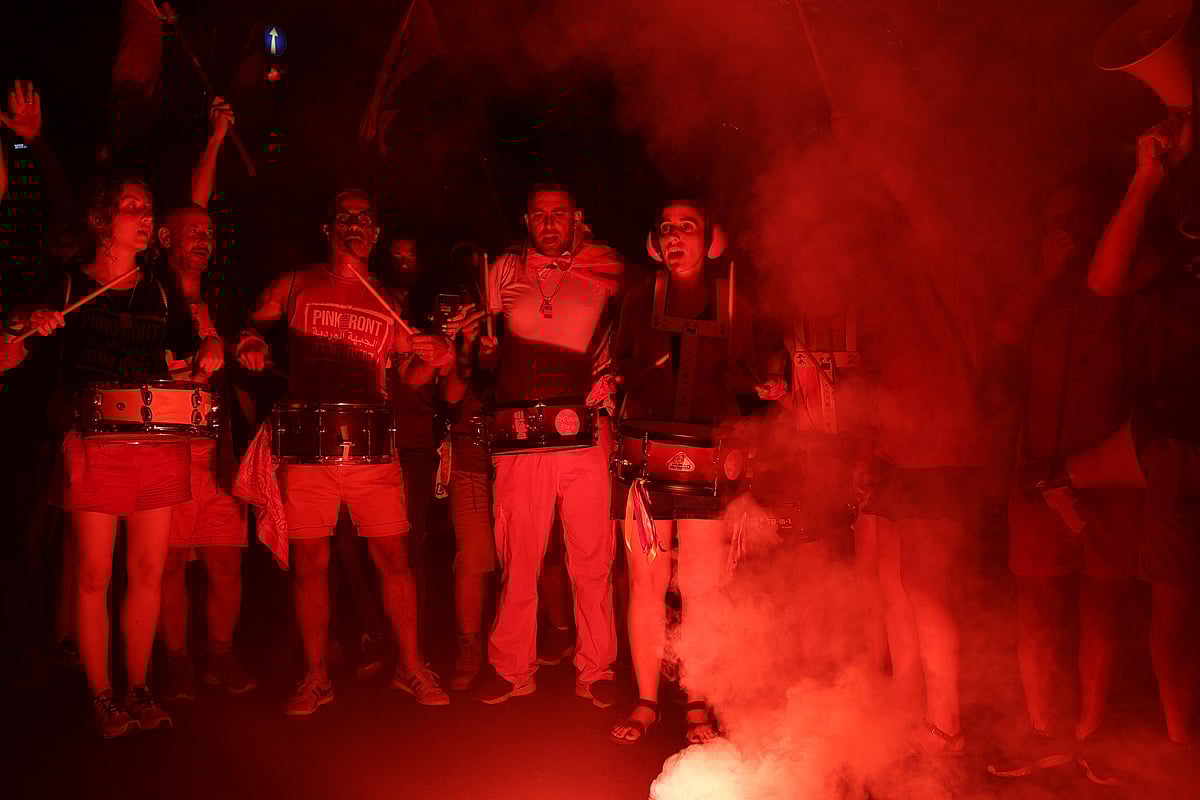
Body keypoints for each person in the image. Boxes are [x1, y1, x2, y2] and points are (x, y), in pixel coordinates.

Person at [11, 173, 215, 737]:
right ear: (104, 221)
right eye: (132, 208)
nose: (145, 216)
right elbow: (15, 328)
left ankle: (140, 685)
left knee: (148, 570)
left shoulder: (161, 288)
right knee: (95, 573)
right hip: (94, 442)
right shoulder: (70, 285)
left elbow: (188, 346)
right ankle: (101, 694)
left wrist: (212, 347)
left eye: (148, 207)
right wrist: (30, 321)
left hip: (155, 440)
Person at [235, 188, 451, 714]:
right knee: (310, 561)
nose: (355, 225)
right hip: (307, 446)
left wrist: (437, 356)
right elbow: (247, 326)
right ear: (328, 227)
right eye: (344, 217)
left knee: (395, 559)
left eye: (364, 219)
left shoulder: (386, 300)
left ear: (375, 231)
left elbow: (410, 375)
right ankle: (315, 677)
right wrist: (251, 343)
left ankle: (410, 665)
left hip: (373, 447)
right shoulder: (296, 284)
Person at [986, 175, 1144, 777]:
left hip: (1108, 476)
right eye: (1055, 222)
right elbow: (1003, 336)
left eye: (1078, 219)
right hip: (1034, 475)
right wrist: (1047, 274)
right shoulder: (1037, 291)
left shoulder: (1126, 284)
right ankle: (1042, 732)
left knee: (1102, 607)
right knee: (1036, 608)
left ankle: (1092, 735)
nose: (1067, 233)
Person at [607, 200, 763, 744]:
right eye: (666, 229)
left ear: (709, 240)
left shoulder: (734, 303)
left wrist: (758, 403)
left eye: (687, 227)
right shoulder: (635, 302)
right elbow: (623, 370)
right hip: (646, 459)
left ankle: (698, 699)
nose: (676, 237)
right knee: (646, 584)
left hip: (709, 458)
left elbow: (746, 377)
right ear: (655, 243)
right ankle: (647, 700)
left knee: (702, 586)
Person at [474, 185, 623, 706]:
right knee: (518, 559)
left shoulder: (604, 267)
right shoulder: (504, 272)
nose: (549, 222)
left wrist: (617, 376)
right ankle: (512, 669)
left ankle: (597, 668)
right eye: (539, 214)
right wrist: (484, 353)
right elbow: (479, 345)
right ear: (527, 220)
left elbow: (647, 309)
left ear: (577, 218)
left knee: (591, 559)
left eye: (559, 213)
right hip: (519, 437)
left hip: (584, 435)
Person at [1084, 111, 1198, 747]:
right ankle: (1184, 743)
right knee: (1175, 604)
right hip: (1177, 442)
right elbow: (1103, 280)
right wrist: (1145, 181)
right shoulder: (1174, 235)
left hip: (1176, 442)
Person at [156, 97, 256, 701]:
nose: (204, 239)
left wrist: (244, 345)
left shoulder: (220, 291)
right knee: (169, 563)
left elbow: (245, 342)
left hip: (216, 447)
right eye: (191, 233)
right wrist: (214, 141)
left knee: (224, 560)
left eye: (209, 234)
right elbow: (194, 200)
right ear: (165, 239)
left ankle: (222, 655)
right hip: (164, 447)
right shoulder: (150, 290)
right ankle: (174, 660)